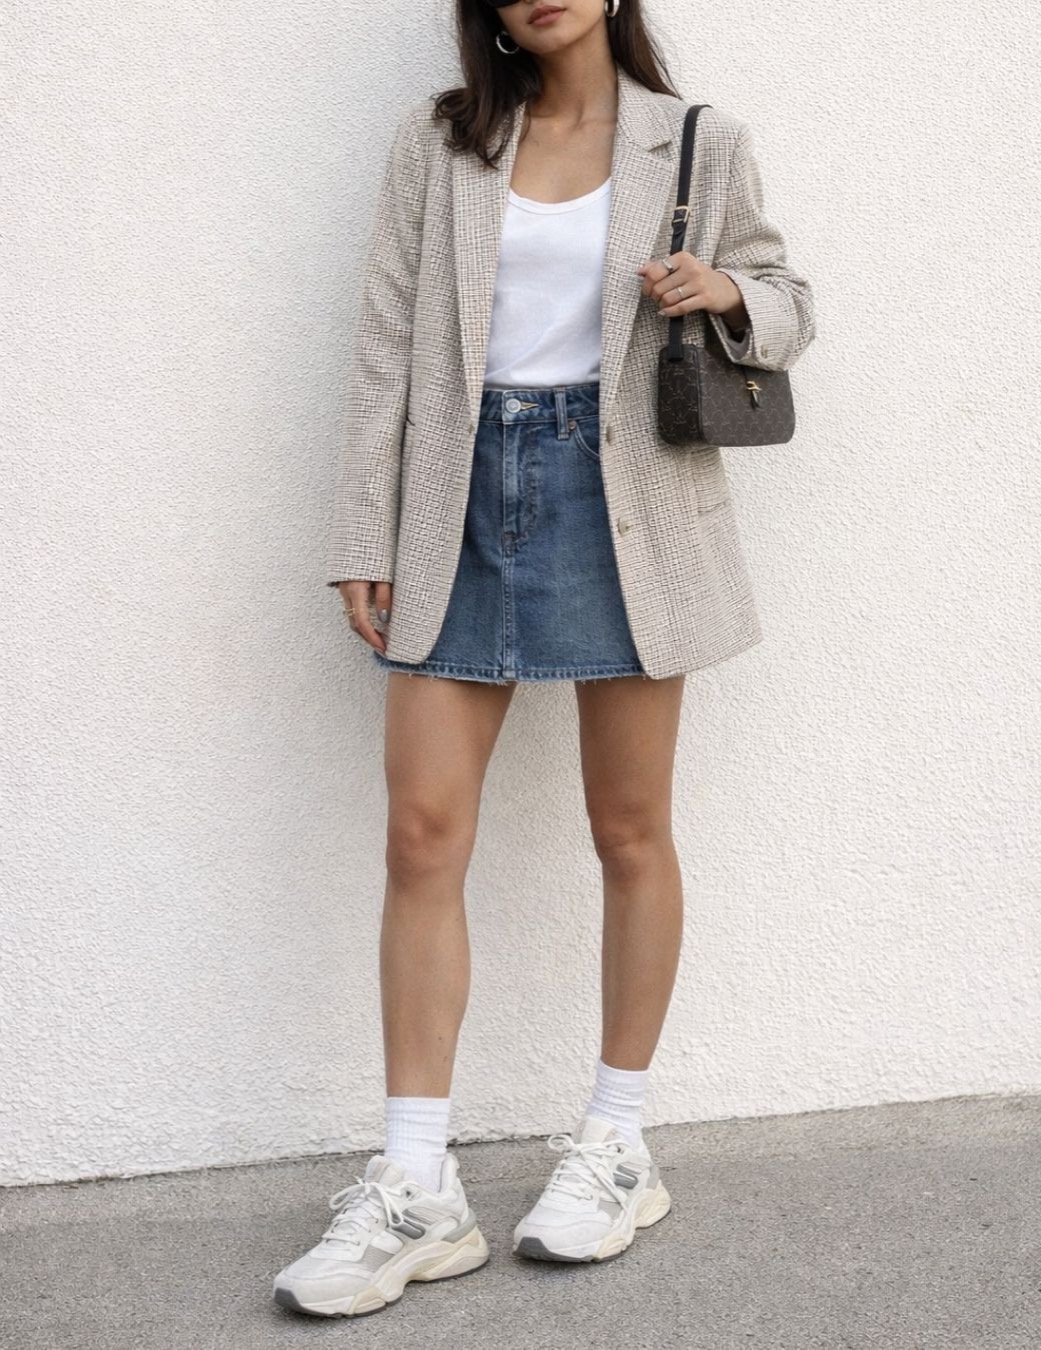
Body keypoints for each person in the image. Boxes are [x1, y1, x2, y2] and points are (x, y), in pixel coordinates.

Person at [274, 0, 815, 1318]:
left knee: (628, 829)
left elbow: (788, 303)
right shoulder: (444, 140)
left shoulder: (696, 140)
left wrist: (726, 291)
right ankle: (416, 1183)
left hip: (621, 499)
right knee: (420, 833)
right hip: (458, 495)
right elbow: (388, 342)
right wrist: (363, 527)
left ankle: (617, 1141)